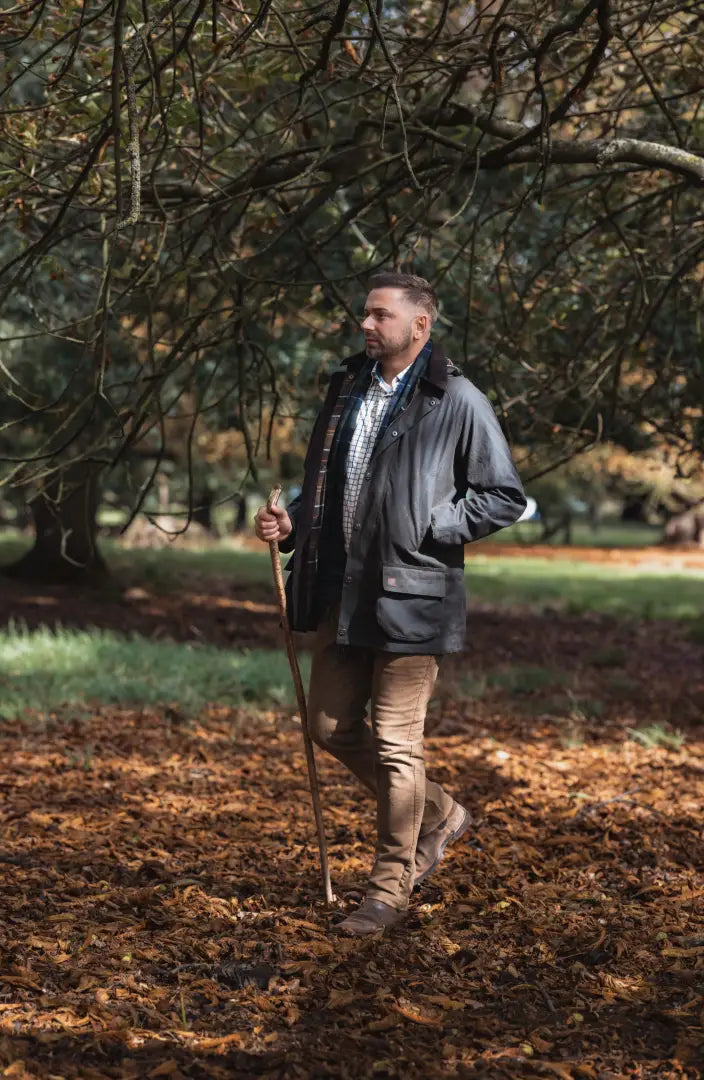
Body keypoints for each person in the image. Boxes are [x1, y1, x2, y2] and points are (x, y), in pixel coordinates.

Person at [255, 272, 526, 935]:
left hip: (411, 596)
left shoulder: (456, 399)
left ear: (420, 326)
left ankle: (387, 890)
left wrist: (432, 525)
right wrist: (292, 521)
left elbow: (502, 495)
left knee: (399, 746)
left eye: (380, 316)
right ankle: (440, 815)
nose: (367, 326)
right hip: (338, 590)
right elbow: (331, 483)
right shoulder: (347, 390)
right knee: (327, 728)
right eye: (365, 315)